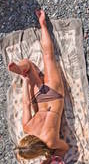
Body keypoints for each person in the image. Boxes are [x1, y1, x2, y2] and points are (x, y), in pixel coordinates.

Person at [8, 10, 69, 161]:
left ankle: (42, 24)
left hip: (55, 99)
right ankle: (22, 67)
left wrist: (50, 158)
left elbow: (64, 148)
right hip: (41, 98)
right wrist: (26, 82)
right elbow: (26, 102)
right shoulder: (27, 127)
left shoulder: (50, 142)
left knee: (49, 57)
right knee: (32, 64)